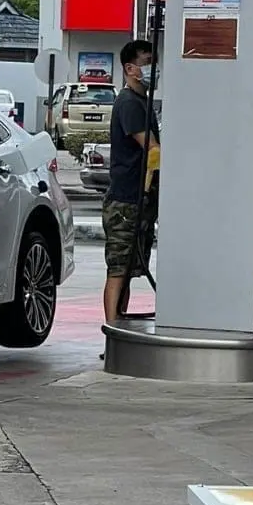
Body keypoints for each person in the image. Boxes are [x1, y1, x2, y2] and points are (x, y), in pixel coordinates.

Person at [102, 38, 159, 327]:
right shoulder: (128, 103)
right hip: (125, 200)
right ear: (130, 68)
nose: (153, 69)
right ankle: (112, 330)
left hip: (140, 199)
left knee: (130, 270)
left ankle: (119, 326)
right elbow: (152, 150)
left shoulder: (142, 101)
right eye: (147, 63)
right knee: (119, 270)